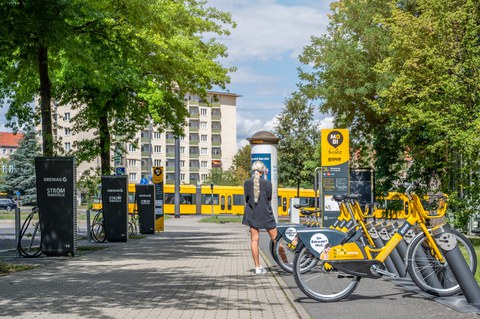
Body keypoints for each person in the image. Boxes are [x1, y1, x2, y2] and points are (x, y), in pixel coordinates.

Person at [243, 160, 278, 275]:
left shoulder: (247, 183)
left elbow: (247, 199)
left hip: (252, 213)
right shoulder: (268, 184)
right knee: (276, 239)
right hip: (266, 213)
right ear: (263, 171)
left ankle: (257, 268)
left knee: (254, 240)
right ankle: (287, 264)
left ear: (253, 170)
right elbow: (269, 198)